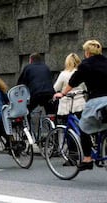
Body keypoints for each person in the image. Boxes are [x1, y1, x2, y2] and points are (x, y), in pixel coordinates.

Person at [54, 40, 107, 171]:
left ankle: (87, 159)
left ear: (87, 52)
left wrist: (62, 93)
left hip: (97, 100)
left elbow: (74, 80)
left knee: (83, 128)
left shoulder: (86, 65)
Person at [53, 53, 86, 124]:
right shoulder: (81, 73)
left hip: (66, 106)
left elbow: (56, 88)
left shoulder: (63, 74)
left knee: (66, 126)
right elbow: (85, 88)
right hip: (80, 104)